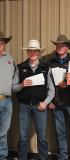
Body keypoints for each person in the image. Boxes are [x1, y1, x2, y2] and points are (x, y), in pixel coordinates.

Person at [12, 40, 55, 160]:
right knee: (23, 137)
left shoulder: (46, 68)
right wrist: (21, 85)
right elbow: (13, 87)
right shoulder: (20, 67)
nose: (33, 53)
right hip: (23, 106)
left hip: (39, 107)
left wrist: (45, 103)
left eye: (35, 50)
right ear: (27, 52)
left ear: (39, 52)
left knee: (42, 138)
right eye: (30, 50)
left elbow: (51, 90)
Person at [47, 35, 70, 160]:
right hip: (56, 104)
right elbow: (46, 85)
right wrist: (49, 100)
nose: (60, 47)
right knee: (59, 134)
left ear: (67, 47)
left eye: (62, 45)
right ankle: (62, 158)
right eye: (58, 45)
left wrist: (69, 85)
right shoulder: (49, 63)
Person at [0, 31, 15, 160]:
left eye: (2, 41)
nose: (0, 43)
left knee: (3, 133)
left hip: (7, 101)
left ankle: (2, 157)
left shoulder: (10, 59)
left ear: (4, 43)